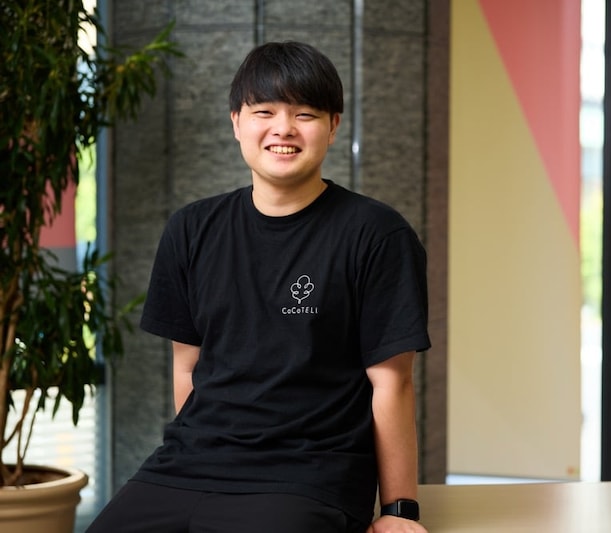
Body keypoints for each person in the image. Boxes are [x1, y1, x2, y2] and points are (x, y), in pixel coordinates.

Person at [87, 41, 430, 533]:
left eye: (305, 114)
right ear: (236, 123)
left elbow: (392, 383)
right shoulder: (191, 229)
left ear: (333, 125)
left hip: (308, 474)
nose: (283, 128)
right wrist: (200, 455)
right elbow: (188, 369)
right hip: (187, 467)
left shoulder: (376, 234)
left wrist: (399, 510)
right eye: (264, 112)